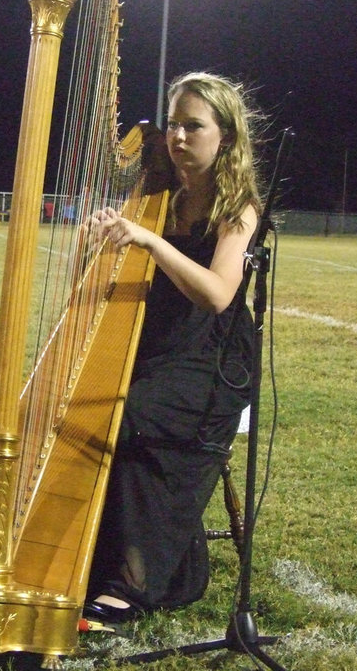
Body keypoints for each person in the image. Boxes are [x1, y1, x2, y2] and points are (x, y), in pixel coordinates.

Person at [82, 71, 263, 624]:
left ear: (225, 137)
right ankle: (163, 564)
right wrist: (104, 238)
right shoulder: (158, 197)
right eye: (174, 126)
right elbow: (101, 284)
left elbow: (215, 295)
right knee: (92, 404)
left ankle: (134, 580)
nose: (178, 137)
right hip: (159, 345)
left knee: (133, 412)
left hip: (214, 360)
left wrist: (150, 240)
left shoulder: (239, 208)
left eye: (194, 126)